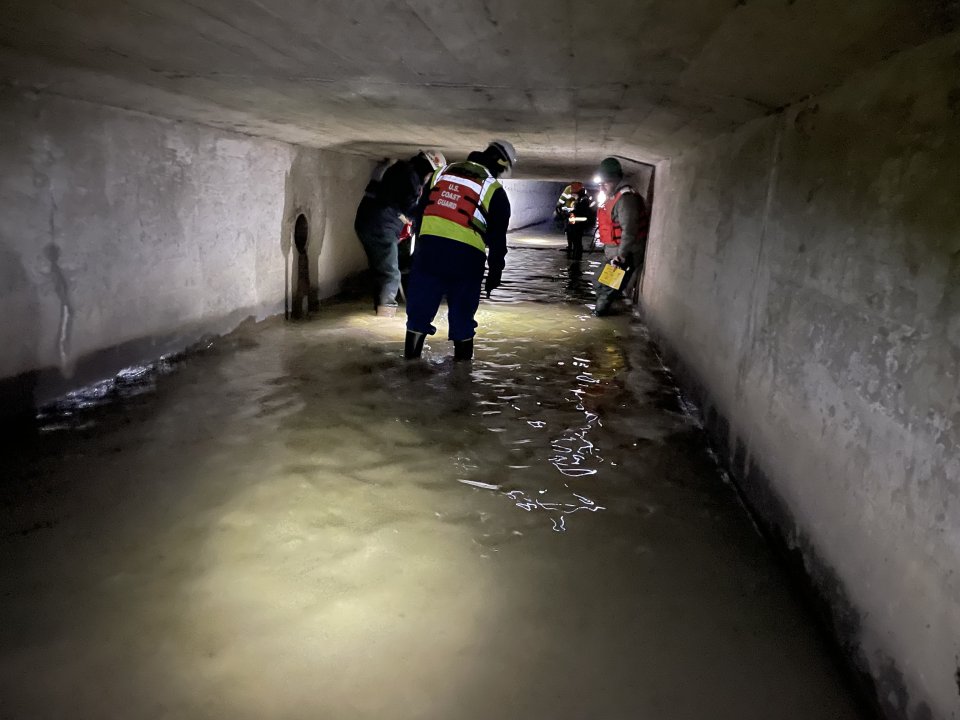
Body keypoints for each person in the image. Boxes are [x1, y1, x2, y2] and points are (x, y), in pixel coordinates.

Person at [403, 140, 517, 361]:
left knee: (418, 315)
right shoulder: (494, 190)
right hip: (466, 260)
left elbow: (421, 213)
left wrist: (416, 253)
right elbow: (497, 240)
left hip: (428, 254)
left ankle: (409, 371)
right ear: (501, 166)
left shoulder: (441, 173)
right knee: (463, 319)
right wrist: (495, 273)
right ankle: (463, 381)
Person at [354, 149, 447, 317]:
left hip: (369, 222)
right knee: (390, 273)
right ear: (429, 169)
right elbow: (409, 207)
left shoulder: (402, 170)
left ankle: (379, 309)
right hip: (382, 227)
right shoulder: (410, 177)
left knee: (382, 269)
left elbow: (391, 198)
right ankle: (385, 318)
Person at [593, 157, 650, 316]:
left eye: (606, 183)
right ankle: (612, 308)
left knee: (605, 291)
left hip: (625, 255)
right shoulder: (614, 195)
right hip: (615, 253)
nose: (603, 187)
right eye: (601, 184)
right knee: (598, 282)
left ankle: (600, 321)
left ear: (617, 179)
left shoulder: (625, 199)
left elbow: (629, 231)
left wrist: (621, 257)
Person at [565, 185, 597, 262]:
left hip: (578, 225)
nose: (572, 195)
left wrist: (571, 212)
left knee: (577, 242)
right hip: (575, 225)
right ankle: (575, 257)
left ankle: (577, 259)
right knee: (575, 241)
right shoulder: (580, 200)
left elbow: (581, 212)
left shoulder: (583, 200)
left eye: (574, 193)